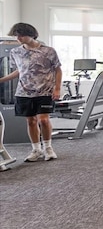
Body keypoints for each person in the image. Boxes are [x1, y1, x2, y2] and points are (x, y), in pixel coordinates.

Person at [0, 23, 62, 162]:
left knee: (44, 120)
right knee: (31, 121)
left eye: (21, 35)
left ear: (32, 34)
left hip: (45, 90)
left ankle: (48, 148)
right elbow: (19, 71)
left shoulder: (48, 51)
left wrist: (57, 88)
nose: (18, 38)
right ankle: (36, 149)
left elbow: (58, 69)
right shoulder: (15, 52)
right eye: (16, 35)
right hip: (23, 92)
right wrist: (2, 80)